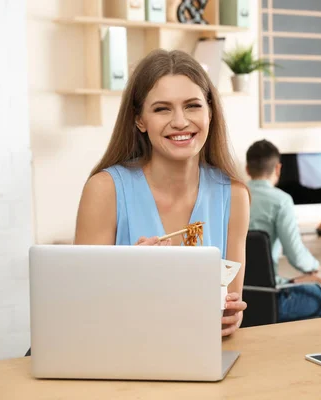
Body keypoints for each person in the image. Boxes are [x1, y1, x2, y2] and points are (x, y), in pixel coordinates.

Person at [74, 49, 250, 337]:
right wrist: (124, 273)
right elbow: (77, 308)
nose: (180, 121)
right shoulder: (104, 190)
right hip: (119, 358)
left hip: (200, 358)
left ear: (210, 112)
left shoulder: (235, 195)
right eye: (162, 109)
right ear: (140, 120)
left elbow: (228, 305)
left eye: (192, 106)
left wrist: (231, 319)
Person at [246, 139, 321, 321]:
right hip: (273, 298)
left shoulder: (231, 196)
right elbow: (295, 255)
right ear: (278, 169)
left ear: (247, 169)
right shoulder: (281, 201)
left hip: (238, 299)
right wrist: (314, 267)